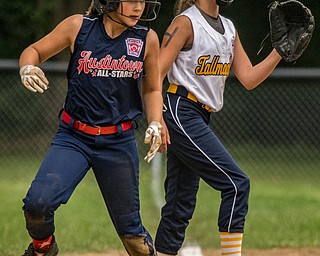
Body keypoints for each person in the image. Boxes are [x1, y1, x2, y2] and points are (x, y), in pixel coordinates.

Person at [19, 0, 163, 255]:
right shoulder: (79, 26)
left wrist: (155, 122)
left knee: (134, 240)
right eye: (132, 0)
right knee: (37, 205)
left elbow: (151, 88)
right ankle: (44, 248)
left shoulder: (146, 38)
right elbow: (34, 50)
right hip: (74, 137)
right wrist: (27, 66)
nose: (139, 7)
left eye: (143, 1)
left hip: (118, 142)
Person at [154, 0, 283, 255]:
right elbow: (156, 73)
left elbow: (248, 78)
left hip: (199, 115)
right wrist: (157, 119)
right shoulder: (186, 23)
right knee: (236, 184)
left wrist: (279, 51)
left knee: (181, 202)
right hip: (180, 109)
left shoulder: (229, 28)